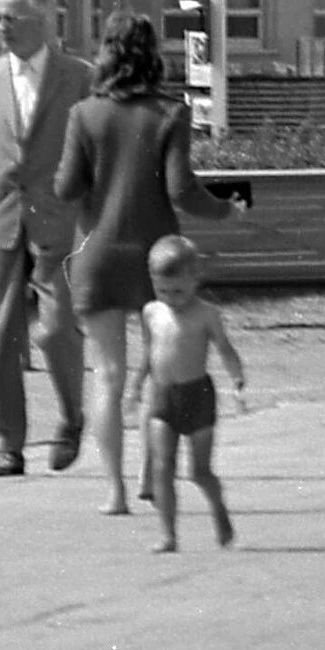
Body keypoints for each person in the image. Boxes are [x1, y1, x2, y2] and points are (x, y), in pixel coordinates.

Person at [53, 10, 239, 518]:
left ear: (106, 53)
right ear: (153, 55)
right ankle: (149, 476)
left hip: (95, 255)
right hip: (157, 259)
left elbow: (66, 189)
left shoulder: (84, 114)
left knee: (107, 374)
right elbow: (182, 190)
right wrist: (224, 209)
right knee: (161, 370)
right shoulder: (169, 114)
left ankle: (112, 490)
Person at [0, 0, 92, 478]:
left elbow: (95, 153)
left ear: (41, 20)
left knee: (56, 330)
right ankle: (8, 443)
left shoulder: (78, 76)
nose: (1, 27)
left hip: (59, 220)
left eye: (10, 17)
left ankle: (72, 419)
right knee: (2, 333)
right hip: (1, 219)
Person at [127, 235, 244, 554]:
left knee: (199, 472)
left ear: (195, 279)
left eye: (178, 290)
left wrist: (236, 376)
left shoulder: (206, 313)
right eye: (162, 290)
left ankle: (218, 508)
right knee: (163, 466)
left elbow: (224, 348)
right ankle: (168, 534)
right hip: (162, 395)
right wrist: (137, 384)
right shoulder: (152, 312)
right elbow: (149, 353)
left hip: (197, 395)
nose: (171, 298)